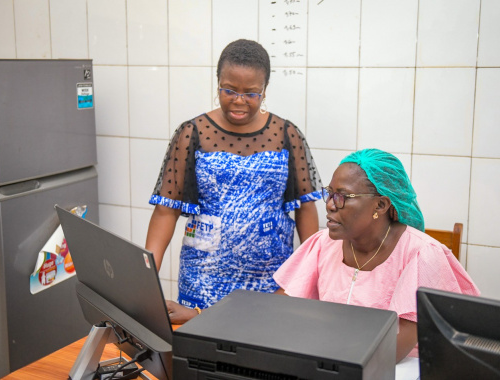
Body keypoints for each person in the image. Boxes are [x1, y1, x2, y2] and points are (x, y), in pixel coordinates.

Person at [146, 39, 323, 324]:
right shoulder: (192, 133)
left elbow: (306, 209)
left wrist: (309, 275)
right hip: (203, 281)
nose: (239, 100)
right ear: (218, 83)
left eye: (251, 93)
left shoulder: (287, 134)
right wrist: (146, 278)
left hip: (271, 283)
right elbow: (166, 211)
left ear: (265, 90)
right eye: (229, 90)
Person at [273, 148, 480, 363]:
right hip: (331, 361)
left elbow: (392, 350)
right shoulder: (324, 243)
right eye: (330, 193)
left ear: (380, 205)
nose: (330, 204)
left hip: (397, 370)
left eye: (342, 196)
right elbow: (279, 310)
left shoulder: (421, 255)